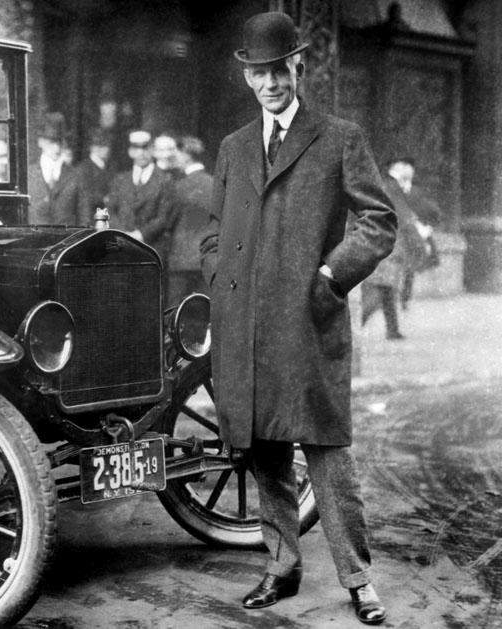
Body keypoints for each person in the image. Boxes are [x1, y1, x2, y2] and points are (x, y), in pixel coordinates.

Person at [199, 12, 397, 625]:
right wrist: (218, 279)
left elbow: (378, 222)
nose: (269, 83)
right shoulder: (234, 148)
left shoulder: (339, 137)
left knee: (328, 453)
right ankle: (281, 566)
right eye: (258, 73)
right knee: (263, 452)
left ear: (298, 68)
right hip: (244, 327)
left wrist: (332, 277)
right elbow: (212, 234)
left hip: (308, 323)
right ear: (249, 78)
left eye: (278, 70)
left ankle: (358, 579)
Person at [361, 162, 428, 339]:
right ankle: (352, 327)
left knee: (386, 289)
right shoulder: (392, 188)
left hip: (379, 242)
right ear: (401, 174)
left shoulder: (384, 184)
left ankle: (392, 329)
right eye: (408, 178)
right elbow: (404, 218)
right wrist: (419, 241)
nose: (409, 182)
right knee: (380, 289)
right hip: (389, 245)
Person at [106, 129, 176, 276]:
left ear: (152, 151)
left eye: (145, 148)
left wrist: (140, 235)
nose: (141, 153)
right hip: (122, 250)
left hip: (151, 250)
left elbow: (164, 218)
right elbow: (110, 211)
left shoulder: (165, 180)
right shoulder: (120, 180)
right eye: (136, 148)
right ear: (130, 152)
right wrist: (123, 235)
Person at [386, 157, 442, 310]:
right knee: (399, 265)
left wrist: (426, 223)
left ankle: (405, 297)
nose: (410, 172)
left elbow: (428, 208)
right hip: (400, 230)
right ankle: (393, 296)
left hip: (413, 229)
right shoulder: (393, 187)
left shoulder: (415, 191)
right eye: (408, 169)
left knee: (409, 267)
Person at [166, 135, 212, 305]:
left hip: (181, 260)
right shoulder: (214, 183)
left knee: (175, 311)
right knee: (202, 310)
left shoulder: (179, 187)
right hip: (206, 259)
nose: (173, 157)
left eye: (176, 153)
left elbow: (167, 221)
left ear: (186, 155)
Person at [28, 112, 81, 225]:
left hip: (67, 240)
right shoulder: (28, 174)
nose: (57, 148)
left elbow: (83, 214)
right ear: (40, 142)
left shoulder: (75, 175)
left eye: (60, 143)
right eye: (52, 142)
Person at [75, 127, 114, 226]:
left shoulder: (111, 167)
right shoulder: (83, 169)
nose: (107, 149)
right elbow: (84, 196)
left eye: (107, 145)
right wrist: (104, 199)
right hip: (91, 219)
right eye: (101, 145)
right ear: (92, 148)